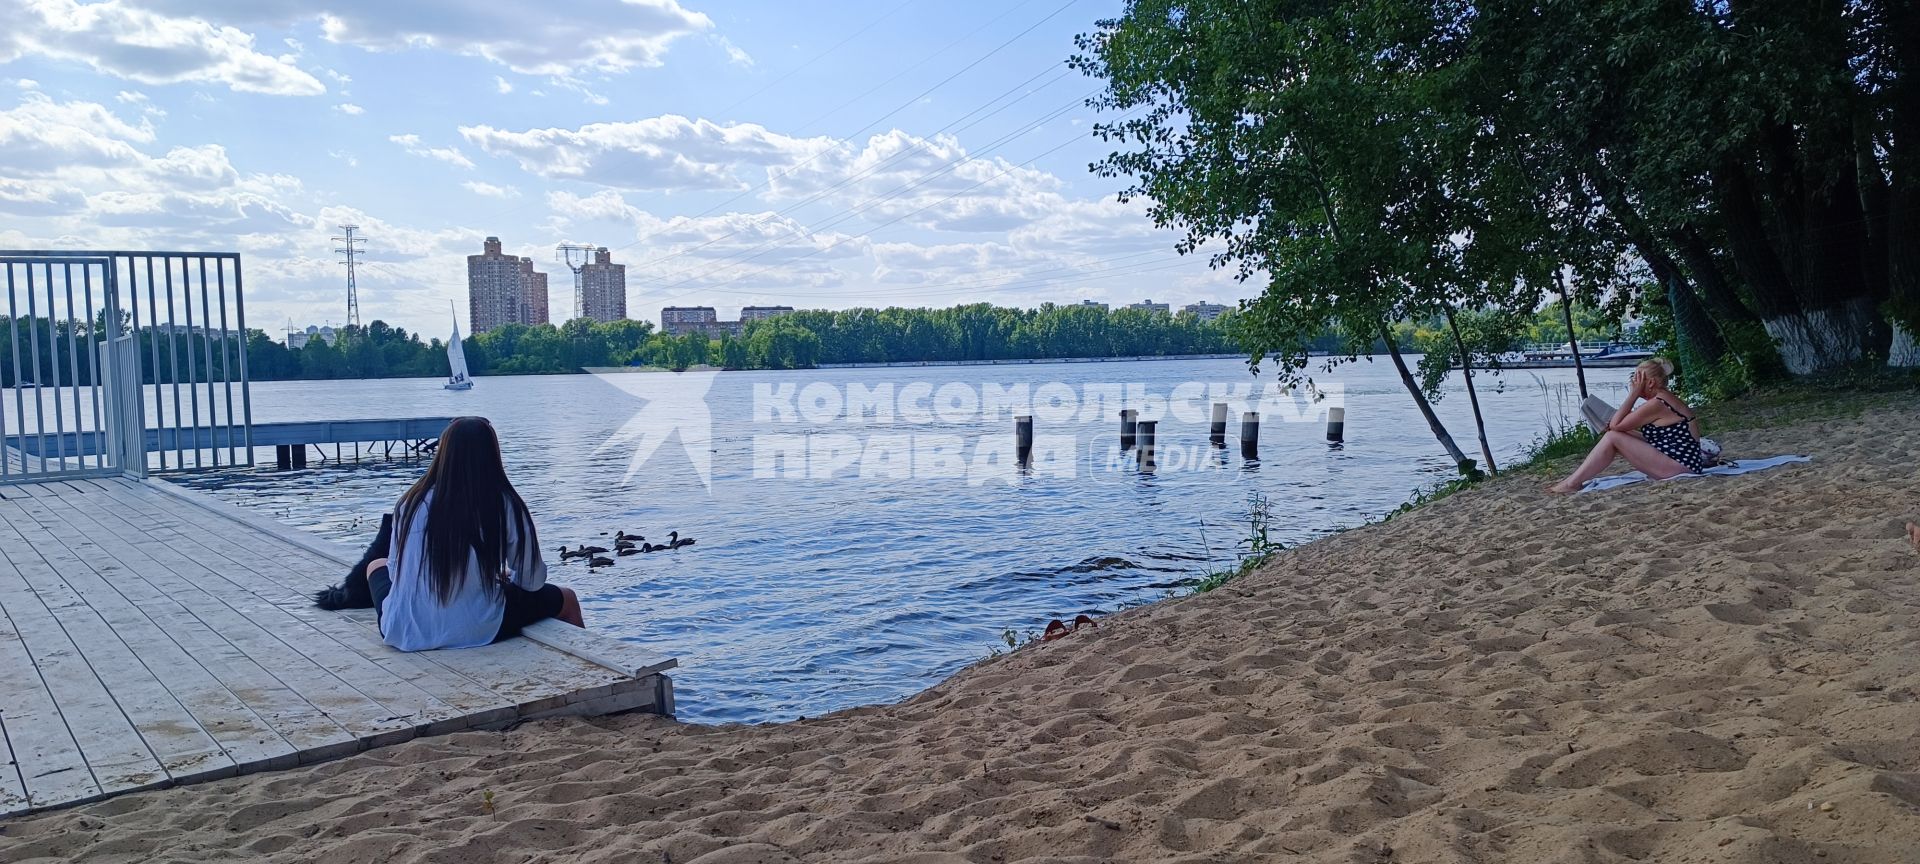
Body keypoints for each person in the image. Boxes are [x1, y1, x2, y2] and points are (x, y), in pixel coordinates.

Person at [364, 416, 583, 651]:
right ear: (491, 454)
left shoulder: (410, 502)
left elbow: (397, 572)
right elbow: (531, 581)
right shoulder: (504, 502)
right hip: (473, 628)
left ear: (444, 452)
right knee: (567, 598)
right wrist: (500, 582)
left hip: (402, 630)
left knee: (376, 565)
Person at [1549, 358, 1705, 494]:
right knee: (1617, 434)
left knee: (1612, 436)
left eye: (1637, 381)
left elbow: (1616, 425)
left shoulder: (1658, 403)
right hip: (1684, 463)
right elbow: (1654, 438)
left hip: (1680, 467)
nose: (1633, 384)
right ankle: (1572, 481)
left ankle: (1572, 483)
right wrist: (1623, 431)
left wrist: (1633, 395)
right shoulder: (1664, 398)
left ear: (1650, 383)